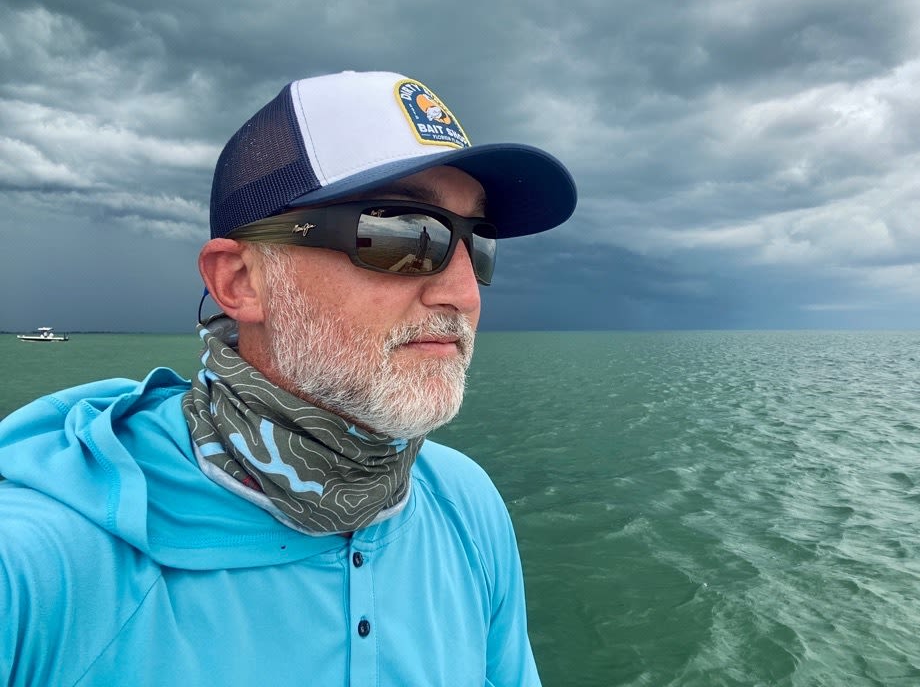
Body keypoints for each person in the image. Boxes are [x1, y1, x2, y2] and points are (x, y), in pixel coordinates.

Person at [0, 70, 576, 686]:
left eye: (477, 244)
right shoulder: (44, 567)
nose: (463, 292)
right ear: (239, 281)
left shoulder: (467, 504)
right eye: (402, 233)